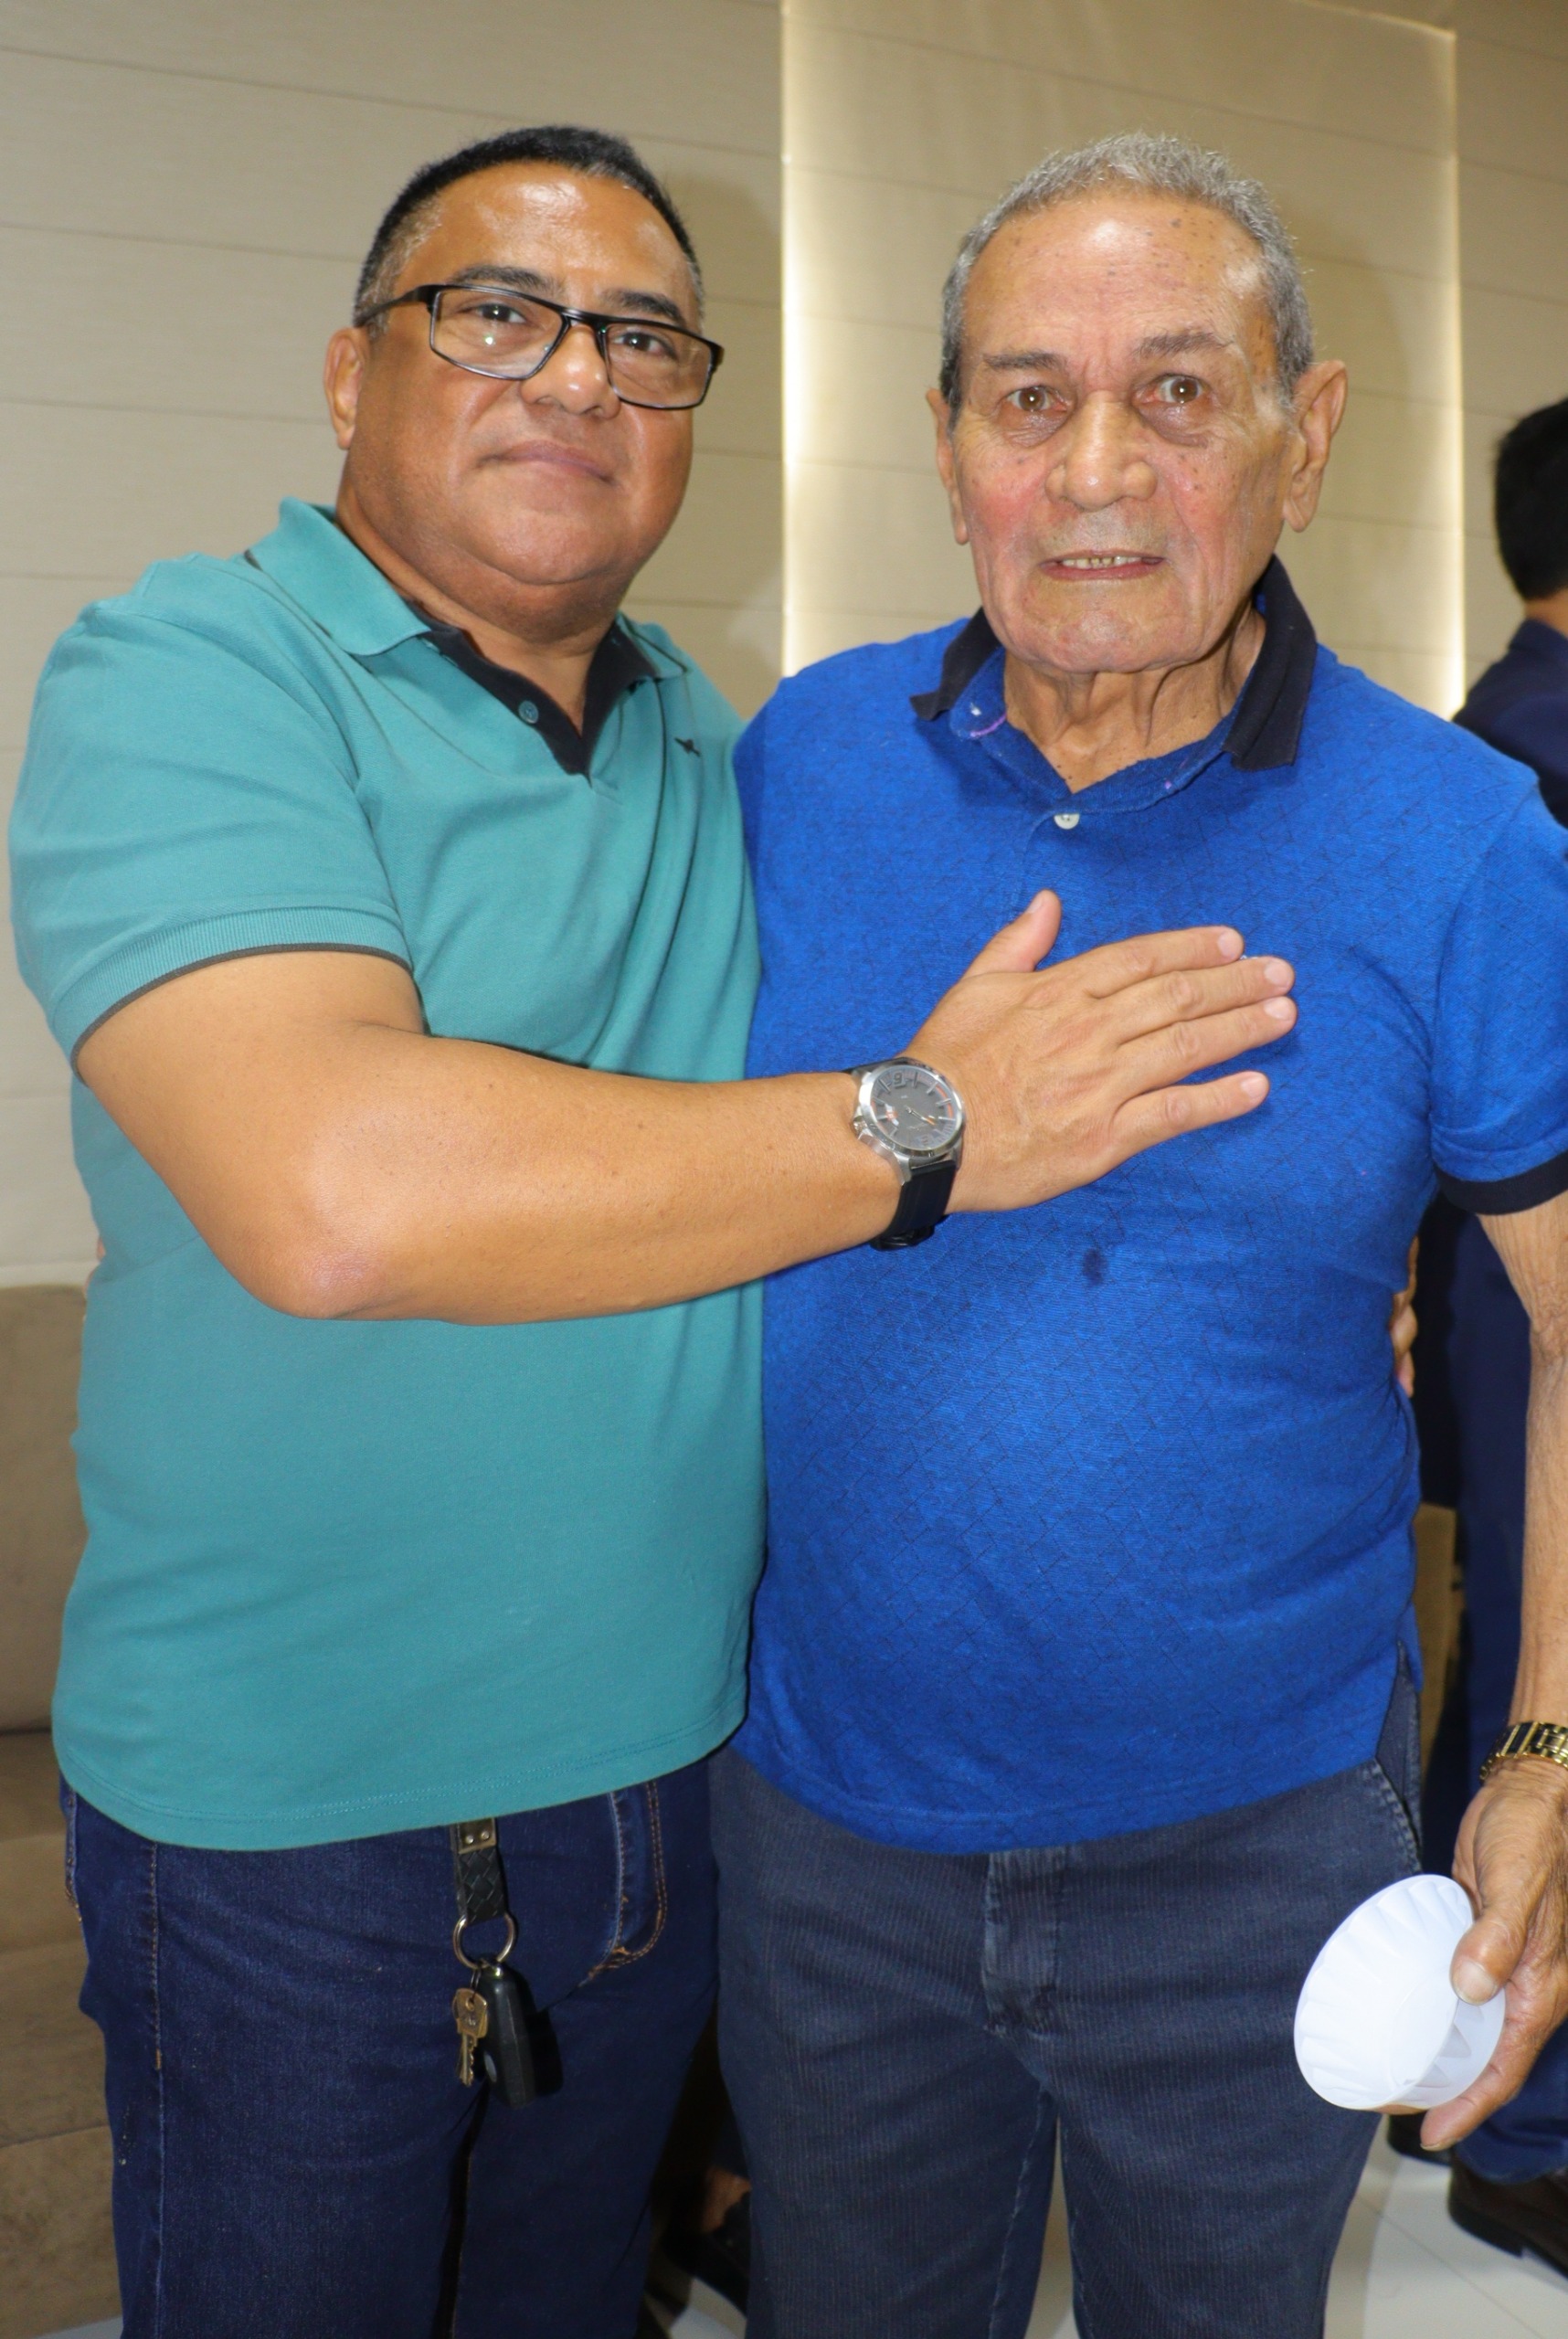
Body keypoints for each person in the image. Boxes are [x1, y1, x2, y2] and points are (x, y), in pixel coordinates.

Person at [8, 124, 1299, 2338]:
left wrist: (1276, 1266)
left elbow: (920, 1076)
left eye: (642, 339)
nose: (578, 376)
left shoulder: (724, 743)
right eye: (497, 313)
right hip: (293, 1832)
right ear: (350, 371)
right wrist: (926, 1125)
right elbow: (334, 1192)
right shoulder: (191, 670)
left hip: (671, 1802)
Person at [711, 132, 1568, 2339]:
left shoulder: (1463, 838)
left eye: (1178, 392)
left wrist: (1549, 1746)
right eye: (1030, 398)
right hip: (828, 1841)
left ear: (1306, 433)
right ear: (947, 445)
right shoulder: (800, 763)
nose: (1096, 469)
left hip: (1259, 1856)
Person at [1417, 395, 1568, 2269]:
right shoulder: (1534, 762)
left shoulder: (1496, 731)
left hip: (1499, 1279)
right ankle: (1519, 2120)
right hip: (1530, 1285)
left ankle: (1477, 2064)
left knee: (1523, 1668)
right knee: (1542, 1685)